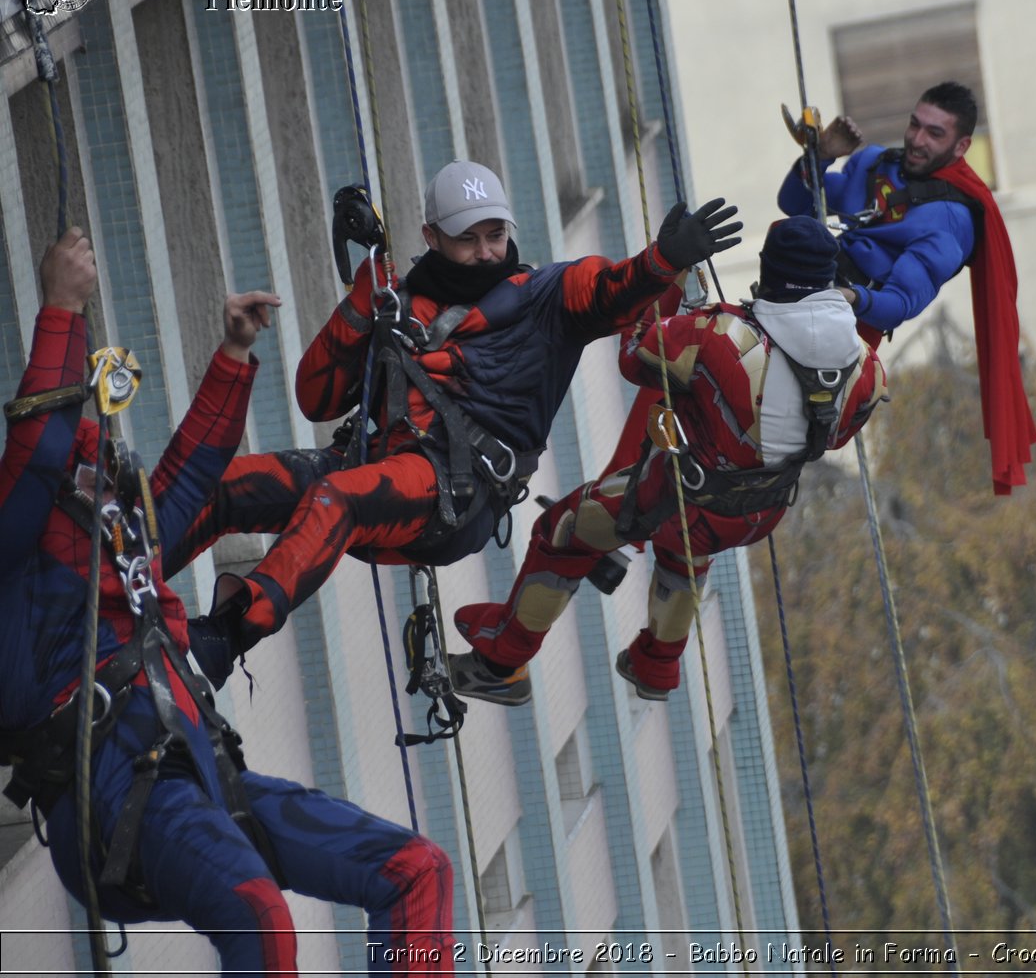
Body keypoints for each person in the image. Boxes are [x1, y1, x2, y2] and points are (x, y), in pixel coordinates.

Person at [0, 229, 454, 973]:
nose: (101, 460)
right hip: (115, 800)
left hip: (202, 777)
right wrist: (59, 307)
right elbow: (39, 452)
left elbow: (187, 480)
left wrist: (232, 355)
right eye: (84, 452)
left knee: (416, 869)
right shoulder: (16, 544)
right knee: (259, 918)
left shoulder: (117, 535)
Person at [166, 161, 741, 688]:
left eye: (495, 235)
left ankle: (222, 637)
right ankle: (136, 566)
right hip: (372, 470)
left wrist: (661, 262)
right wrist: (365, 296)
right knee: (231, 488)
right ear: (431, 238)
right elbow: (316, 398)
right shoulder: (402, 300)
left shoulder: (547, 298)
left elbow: (610, 290)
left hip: (456, 494)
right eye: (467, 239)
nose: (487, 251)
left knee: (335, 497)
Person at [445, 216, 887, 704]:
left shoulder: (718, 335)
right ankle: (656, 665)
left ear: (769, 270)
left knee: (565, 531)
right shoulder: (865, 365)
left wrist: (668, 271)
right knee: (687, 551)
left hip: (679, 495)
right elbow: (836, 436)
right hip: (761, 510)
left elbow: (634, 354)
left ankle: (502, 660)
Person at [777, 80, 1036, 495]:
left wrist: (851, 297)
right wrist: (821, 156)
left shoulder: (950, 222)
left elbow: (898, 304)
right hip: (798, 290)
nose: (917, 140)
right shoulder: (875, 163)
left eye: (935, 134)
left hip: (843, 333)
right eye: (915, 125)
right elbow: (795, 203)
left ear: (961, 145)